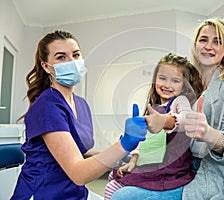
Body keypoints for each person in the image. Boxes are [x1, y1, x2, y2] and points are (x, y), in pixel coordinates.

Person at [111, 18, 224, 200]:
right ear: (195, 45)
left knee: (123, 197)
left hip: (213, 174)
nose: (209, 46)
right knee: (116, 184)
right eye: (203, 40)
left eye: (217, 41)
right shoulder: (190, 84)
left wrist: (208, 134)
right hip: (182, 167)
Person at [10, 30, 147, 200]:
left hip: (74, 192)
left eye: (75, 55)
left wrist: (121, 156)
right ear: (46, 66)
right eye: (61, 57)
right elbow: (78, 173)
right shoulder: (47, 106)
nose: (72, 62)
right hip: (44, 193)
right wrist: (124, 143)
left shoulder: (81, 104)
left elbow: (83, 152)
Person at [104, 53, 203, 199]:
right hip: (151, 164)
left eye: (175, 81)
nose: (167, 85)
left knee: (114, 188)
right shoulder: (154, 107)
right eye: (162, 78)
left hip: (170, 169)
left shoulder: (180, 101)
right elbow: (143, 141)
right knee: (112, 182)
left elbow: (187, 118)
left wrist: (166, 120)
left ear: (184, 85)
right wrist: (132, 161)